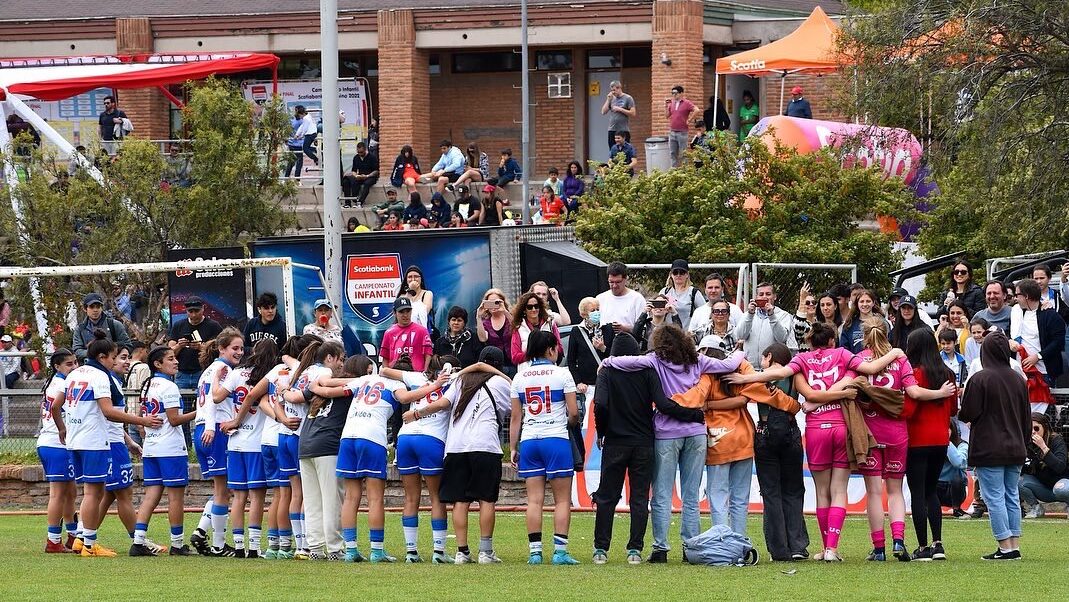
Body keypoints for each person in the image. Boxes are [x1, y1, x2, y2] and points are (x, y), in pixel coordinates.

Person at [725, 322, 906, 562]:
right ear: (832, 340)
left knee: (822, 491)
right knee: (838, 489)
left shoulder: (803, 359)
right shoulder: (843, 354)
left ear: (810, 342)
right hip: (841, 427)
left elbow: (778, 373)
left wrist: (746, 376)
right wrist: (895, 352)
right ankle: (831, 548)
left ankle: (824, 548)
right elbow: (871, 367)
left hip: (816, 428)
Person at [600, 325, 745, 563]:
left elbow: (627, 362)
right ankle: (690, 547)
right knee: (691, 495)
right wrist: (740, 350)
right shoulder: (698, 360)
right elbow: (729, 365)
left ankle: (660, 548)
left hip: (666, 433)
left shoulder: (655, 360)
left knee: (662, 494)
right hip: (696, 432)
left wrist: (608, 361)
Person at [592, 332, 705, 565]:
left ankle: (601, 549)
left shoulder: (607, 372)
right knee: (640, 498)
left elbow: (601, 404)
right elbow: (663, 404)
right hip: (644, 442)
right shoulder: (648, 371)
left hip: (615, 441)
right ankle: (635, 549)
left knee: (607, 496)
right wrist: (693, 414)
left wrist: (602, 431)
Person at [674, 335, 801, 540]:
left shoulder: (704, 374)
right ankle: (739, 541)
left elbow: (694, 399)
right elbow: (765, 391)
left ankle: (723, 541)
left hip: (717, 439)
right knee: (740, 497)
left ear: (704, 352)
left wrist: (669, 403)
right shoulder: (740, 368)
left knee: (718, 495)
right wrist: (793, 406)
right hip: (743, 436)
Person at [853, 320, 956, 563]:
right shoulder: (900, 360)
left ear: (865, 337)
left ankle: (879, 549)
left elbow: (850, 387)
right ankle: (899, 540)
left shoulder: (859, 359)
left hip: (869, 432)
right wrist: (941, 394)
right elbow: (914, 393)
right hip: (898, 434)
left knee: (874, 492)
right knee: (897, 490)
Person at [404, 347, 512, 564]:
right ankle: (485, 551)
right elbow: (511, 409)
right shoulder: (502, 383)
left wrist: (417, 414)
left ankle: (462, 552)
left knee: (460, 501)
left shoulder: (460, 381)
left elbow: (443, 404)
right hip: (485, 446)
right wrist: (502, 375)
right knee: (486, 499)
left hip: (456, 446)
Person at [59, 331, 161, 557]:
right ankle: (89, 545)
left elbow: (59, 404)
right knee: (95, 493)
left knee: (95, 493)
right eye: (115, 357)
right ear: (103, 356)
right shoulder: (100, 376)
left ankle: (85, 540)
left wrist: (63, 428)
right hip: (95, 441)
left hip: (77, 440)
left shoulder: (75, 374)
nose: (116, 361)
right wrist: (142, 420)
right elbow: (108, 412)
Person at [313, 354, 398, 562]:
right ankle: (377, 551)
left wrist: (314, 387)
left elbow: (327, 387)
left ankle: (350, 550)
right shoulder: (395, 384)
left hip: (348, 437)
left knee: (351, 497)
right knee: (375, 497)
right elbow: (405, 398)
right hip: (372, 438)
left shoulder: (360, 381)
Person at [509, 331, 581, 565]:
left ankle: (535, 553)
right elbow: (573, 413)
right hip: (556, 439)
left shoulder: (519, 377)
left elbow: (515, 417)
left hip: (529, 440)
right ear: (550, 349)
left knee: (534, 500)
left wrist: (512, 447)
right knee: (561, 500)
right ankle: (559, 552)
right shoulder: (563, 374)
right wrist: (569, 424)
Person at [958, 332, 1030, 560]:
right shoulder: (1019, 379)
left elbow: (968, 412)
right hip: (1016, 447)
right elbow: (1027, 417)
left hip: (989, 448)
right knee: (1011, 495)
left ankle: (1005, 546)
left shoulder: (980, 378)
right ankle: (1014, 544)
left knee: (995, 497)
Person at [379, 356, 457, 563]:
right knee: (436, 498)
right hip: (432, 440)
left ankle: (411, 552)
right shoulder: (455, 381)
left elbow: (384, 370)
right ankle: (439, 553)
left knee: (410, 498)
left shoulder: (416, 377)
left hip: (405, 438)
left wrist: (423, 387)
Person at [130, 346, 197, 556]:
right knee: (176, 497)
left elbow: (141, 416)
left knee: (151, 495)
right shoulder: (169, 387)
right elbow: (175, 420)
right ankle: (177, 544)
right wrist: (200, 411)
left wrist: (145, 429)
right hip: (171, 449)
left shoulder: (148, 384)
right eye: (170, 359)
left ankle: (138, 541)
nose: (176, 361)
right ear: (158, 364)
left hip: (152, 447)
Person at [283, 340, 346, 560]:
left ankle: (316, 548)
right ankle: (335, 549)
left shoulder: (309, 374)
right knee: (331, 498)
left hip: (305, 441)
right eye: (341, 359)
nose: (342, 365)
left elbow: (299, 393)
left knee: (312, 499)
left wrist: (284, 392)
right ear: (330, 358)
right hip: (326, 444)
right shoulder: (338, 382)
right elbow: (325, 384)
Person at [216, 339, 278, 559]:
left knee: (239, 497)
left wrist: (215, 379)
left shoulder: (236, 373)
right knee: (257, 497)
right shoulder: (269, 375)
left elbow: (216, 397)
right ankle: (253, 547)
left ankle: (239, 546)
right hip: (256, 442)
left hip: (235, 443)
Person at [902, 328, 959, 560]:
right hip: (940, 439)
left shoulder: (915, 373)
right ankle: (938, 544)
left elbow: (908, 409)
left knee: (917, 491)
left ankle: (923, 547)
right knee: (931, 490)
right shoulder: (947, 373)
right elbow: (954, 408)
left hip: (917, 439)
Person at [188, 327, 244, 556]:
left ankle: (201, 531)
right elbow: (212, 400)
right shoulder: (222, 369)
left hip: (203, 429)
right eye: (235, 348)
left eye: (241, 348)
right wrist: (211, 427)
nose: (239, 352)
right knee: (223, 490)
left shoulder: (210, 369)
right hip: (215, 430)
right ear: (222, 348)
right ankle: (219, 545)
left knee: (224, 488)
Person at [752, 343, 810, 562]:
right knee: (794, 491)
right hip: (790, 432)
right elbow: (801, 402)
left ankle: (779, 549)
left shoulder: (759, 377)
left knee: (771, 493)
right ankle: (797, 545)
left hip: (765, 433)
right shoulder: (794, 376)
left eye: (763, 357)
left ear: (769, 357)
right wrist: (791, 405)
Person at [37, 348, 79, 553]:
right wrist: (63, 429)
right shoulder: (61, 384)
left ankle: (73, 536)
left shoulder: (57, 382)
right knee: (58, 494)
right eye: (69, 364)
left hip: (54, 443)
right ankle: (53, 540)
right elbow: (57, 410)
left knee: (70, 492)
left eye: (75, 362)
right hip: (56, 443)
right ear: (57, 366)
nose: (74, 367)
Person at [1010, 277, 1066, 395]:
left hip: (1044, 372)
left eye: (1017, 295)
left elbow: (1058, 342)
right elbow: (1008, 334)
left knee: (1044, 411)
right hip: (1020, 372)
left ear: (1026, 296)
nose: (1015, 298)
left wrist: (1038, 356)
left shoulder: (1051, 316)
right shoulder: (1016, 312)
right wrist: (1010, 342)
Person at [168, 296, 223, 392]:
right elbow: (169, 352)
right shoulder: (178, 325)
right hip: (182, 373)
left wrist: (201, 347)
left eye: (196, 311)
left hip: (203, 371)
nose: (193, 315)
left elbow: (220, 351)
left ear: (203, 309)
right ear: (186, 311)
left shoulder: (213, 326)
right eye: (190, 312)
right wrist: (179, 345)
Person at [1018, 412, 1069, 518]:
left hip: (1062, 485)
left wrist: (1044, 447)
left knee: (1061, 489)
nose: (1033, 432)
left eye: (1036, 428)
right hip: (1044, 489)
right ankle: (1035, 508)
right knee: (1015, 479)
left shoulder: (1056, 440)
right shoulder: (1027, 443)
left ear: (1045, 427)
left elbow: (1060, 467)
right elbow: (1028, 470)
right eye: (1029, 428)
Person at [733, 282, 791, 366]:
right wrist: (750, 315)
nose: (764, 297)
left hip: (773, 367)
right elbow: (740, 336)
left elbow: (782, 339)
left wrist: (772, 316)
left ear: (774, 296)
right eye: (761, 294)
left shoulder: (783, 315)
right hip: (750, 368)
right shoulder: (748, 314)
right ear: (756, 297)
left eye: (768, 294)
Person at [509, 292, 563, 369]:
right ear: (524, 310)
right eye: (530, 307)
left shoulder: (550, 323)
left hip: (549, 370)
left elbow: (559, 348)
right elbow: (515, 357)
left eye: (536, 306)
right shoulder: (518, 328)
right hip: (527, 372)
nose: (534, 309)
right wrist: (534, 353)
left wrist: (548, 352)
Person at [71, 292, 131, 361]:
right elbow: (77, 351)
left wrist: (109, 351)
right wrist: (94, 353)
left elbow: (127, 345)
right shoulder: (80, 329)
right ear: (85, 309)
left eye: (98, 306)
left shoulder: (114, 324)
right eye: (91, 307)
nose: (95, 310)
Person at [380, 296, 433, 372]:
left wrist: (425, 373)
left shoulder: (422, 331)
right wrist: (387, 375)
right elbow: (385, 358)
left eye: (408, 311)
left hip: (416, 375)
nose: (405, 315)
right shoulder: (389, 333)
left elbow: (428, 354)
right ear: (394, 313)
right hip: (395, 375)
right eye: (401, 312)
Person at [595, 262, 646, 340]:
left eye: (618, 282)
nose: (614, 286)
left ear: (625, 279)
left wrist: (626, 329)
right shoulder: (600, 298)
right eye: (611, 282)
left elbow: (642, 329)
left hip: (628, 343)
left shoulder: (637, 299)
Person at [688, 273, 744, 342]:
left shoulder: (735, 310)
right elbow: (691, 336)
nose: (713, 291)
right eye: (710, 287)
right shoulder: (698, 312)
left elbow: (743, 334)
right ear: (705, 290)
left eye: (717, 287)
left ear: (722, 289)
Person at [476, 288, 514, 376]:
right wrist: (478, 317)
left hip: (513, 362)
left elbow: (517, 329)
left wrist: (504, 311)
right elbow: (482, 338)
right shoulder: (486, 323)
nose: (493, 306)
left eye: (496, 302)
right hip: (495, 366)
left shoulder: (509, 318)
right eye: (490, 303)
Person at [659, 259, 705, 330]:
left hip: (686, 334)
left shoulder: (694, 293)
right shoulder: (664, 292)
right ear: (671, 275)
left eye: (682, 272)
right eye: (675, 272)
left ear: (687, 275)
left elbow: (703, 312)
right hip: (667, 334)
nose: (678, 275)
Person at [939, 420, 969, 517]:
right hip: (935, 487)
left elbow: (958, 462)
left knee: (957, 475)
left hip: (954, 488)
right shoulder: (932, 445)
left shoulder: (962, 445)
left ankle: (957, 509)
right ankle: (925, 508)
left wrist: (947, 442)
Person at [840, 289, 884, 353]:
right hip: (856, 362)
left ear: (873, 303)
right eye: (862, 301)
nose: (865, 304)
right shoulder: (849, 324)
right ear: (857, 304)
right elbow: (844, 350)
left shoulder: (882, 322)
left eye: (868, 301)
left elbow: (887, 345)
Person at [666, 85, 698, 167]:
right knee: (673, 152)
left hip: (682, 132)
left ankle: (685, 170)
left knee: (683, 153)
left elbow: (696, 110)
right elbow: (667, 116)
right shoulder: (671, 103)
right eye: (672, 93)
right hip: (672, 131)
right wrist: (666, 106)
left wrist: (689, 120)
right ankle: (674, 171)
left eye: (675, 93)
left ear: (681, 93)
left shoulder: (686, 103)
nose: (674, 95)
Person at [600, 80, 636, 151]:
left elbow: (633, 113)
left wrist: (620, 109)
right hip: (612, 129)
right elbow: (603, 112)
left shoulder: (628, 98)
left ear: (619, 88)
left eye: (614, 90)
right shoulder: (611, 98)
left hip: (623, 129)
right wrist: (608, 100)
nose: (613, 92)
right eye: (611, 90)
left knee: (624, 151)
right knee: (613, 151)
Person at [341, 142, 379, 208]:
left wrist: (367, 176)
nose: (360, 154)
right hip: (360, 176)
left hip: (370, 176)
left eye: (361, 152)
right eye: (358, 152)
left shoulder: (372, 157)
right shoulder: (356, 158)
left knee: (367, 184)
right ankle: (347, 202)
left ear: (365, 150)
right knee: (346, 181)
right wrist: (356, 176)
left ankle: (360, 202)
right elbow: (354, 170)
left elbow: (376, 171)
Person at [398, 265, 435, 331]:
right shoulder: (402, 296)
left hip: (422, 333)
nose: (413, 279)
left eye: (416, 277)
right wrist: (410, 291)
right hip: (405, 332)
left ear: (421, 279)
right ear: (406, 279)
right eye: (410, 277)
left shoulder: (427, 294)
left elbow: (424, 312)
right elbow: (400, 315)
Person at [290, 105, 319, 178]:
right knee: (307, 147)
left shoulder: (306, 118)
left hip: (309, 134)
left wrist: (301, 136)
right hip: (313, 133)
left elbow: (305, 128)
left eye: (299, 116)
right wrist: (297, 134)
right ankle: (315, 150)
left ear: (301, 114)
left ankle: (315, 158)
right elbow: (302, 126)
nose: (300, 117)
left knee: (305, 149)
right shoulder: (308, 116)